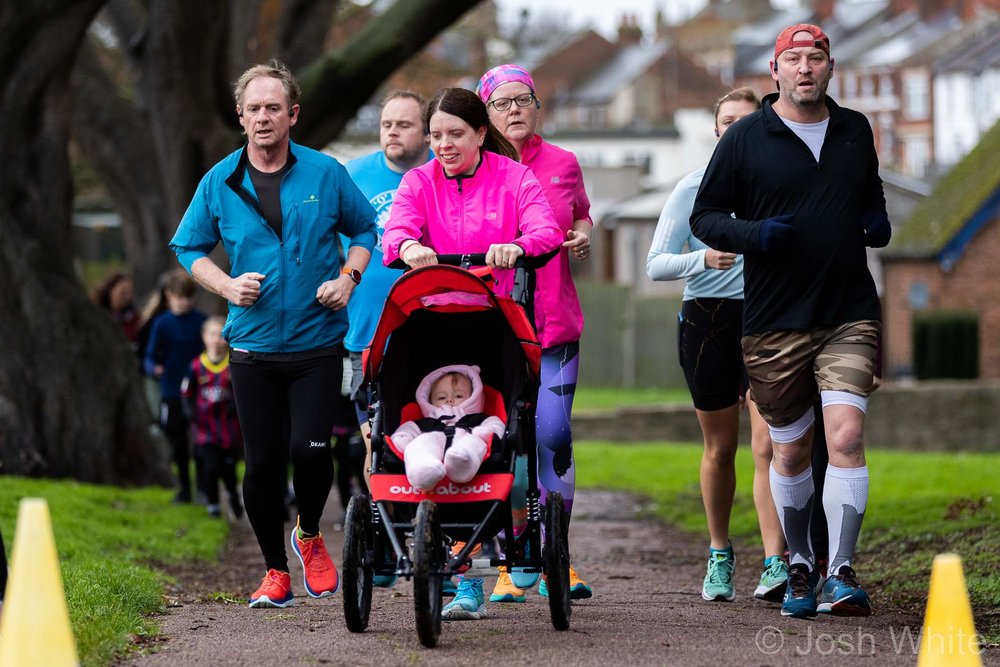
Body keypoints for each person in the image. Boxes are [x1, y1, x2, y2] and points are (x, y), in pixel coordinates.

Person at [691, 24, 890, 620]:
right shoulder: (747, 138)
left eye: (816, 59)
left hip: (847, 310)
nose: (805, 68)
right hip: (776, 319)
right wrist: (757, 235)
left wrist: (876, 219)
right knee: (793, 451)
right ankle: (800, 563)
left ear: (830, 69)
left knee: (847, 436)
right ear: (775, 72)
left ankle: (842, 571)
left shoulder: (855, 129)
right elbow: (706, 216)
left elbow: (870, 193)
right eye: (793, 60)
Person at [169, 60, 378, 609]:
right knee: (261, 464)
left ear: (293, 114)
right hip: (252, 347)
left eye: (273, 108)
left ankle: (308, 533)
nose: (264, 117)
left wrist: (348, 278)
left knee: (311, 453)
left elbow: (363, 229)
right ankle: (273, 570)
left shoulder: (326, 173)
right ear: (241, 117)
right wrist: (226, 285)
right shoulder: (220, 180)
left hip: (317, 343)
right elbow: (188, 248)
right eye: (254, 108)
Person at [382, 86, 563, 620]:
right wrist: (409, 246)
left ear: (482, 133)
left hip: (492, 321)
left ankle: (492, 556)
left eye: (455, 135)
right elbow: (397, 228)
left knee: (508, 435)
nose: (442, 145)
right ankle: (445, 558)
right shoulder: (419, 181)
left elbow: (545, 228)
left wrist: (519, 245)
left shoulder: (514, 179)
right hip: (432, 323)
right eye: (435, 136)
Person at [647, 87, 789, 604]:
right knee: (720, 447)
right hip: (707, 321)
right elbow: (655, 264)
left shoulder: (777, 184)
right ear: (715, 130)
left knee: (768, 445)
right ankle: (719, 554)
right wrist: (700, 261)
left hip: (769, 316)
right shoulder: (693, 188)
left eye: (743, 121)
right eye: (724, 121)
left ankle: (777, 563)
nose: (732, 129)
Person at [477, 64, 595, 603]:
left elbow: (583, 215)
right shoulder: (475, 169)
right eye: (501, 103)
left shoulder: (563, 163)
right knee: (501, 445)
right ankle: (506, 562)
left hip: (554, 326)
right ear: (484, 113)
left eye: (524, 99)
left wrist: (583, 237)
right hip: (495, 327)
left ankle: (557, 559)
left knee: (551, 436)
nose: (515, 110)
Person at [343, 90, 433, 486]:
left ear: (428, 132)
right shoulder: (352, 175)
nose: (392, 132)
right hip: (363, 332)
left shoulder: (442, 173)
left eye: (404, 125)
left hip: (428, 327)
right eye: (386, 125)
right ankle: (385, 531)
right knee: (374, 443)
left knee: (430, 435)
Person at [143, 269, 207, 504]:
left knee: (201, 442)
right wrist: (154, 368)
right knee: (177, 442)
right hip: (171, 391)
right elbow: (149, 356)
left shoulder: (201, 322)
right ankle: (184, 489)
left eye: (188, 297)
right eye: (180, 297)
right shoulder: (161, 324)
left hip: (198, 390)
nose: (184, 302)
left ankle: (204, 487)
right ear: (169, 296)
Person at [390, 365, 505, 491]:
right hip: (434, 439)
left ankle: (461, 464)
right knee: (421, 442)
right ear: (429, 400)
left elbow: (496, 425)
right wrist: (402, 438)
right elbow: (407, 429)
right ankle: (423, 469)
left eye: (459, 396)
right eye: (441, 397)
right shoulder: (427, 423)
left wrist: (484, 433)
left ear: (474, 397)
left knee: (474, 442)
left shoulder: (477, 419)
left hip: (467, 438)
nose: (449, 401)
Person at [181, 316, 244, 519]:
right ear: (204, 337)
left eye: (220, 335)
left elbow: (241, 393)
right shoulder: (196, 367)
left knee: (228, 468)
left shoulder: (233, 365)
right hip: (204, 430)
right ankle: (213, 505)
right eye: (212, 334)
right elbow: (186, 393)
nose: (216, 339)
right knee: (210, 467)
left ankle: (233, 496)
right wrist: (191, 415)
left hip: (228, 429)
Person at [94, 272, 141, 355]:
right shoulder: (98, 314)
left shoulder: (134, 317)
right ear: (110, 290)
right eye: (123, 291)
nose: (127, 296)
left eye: (129, 292)